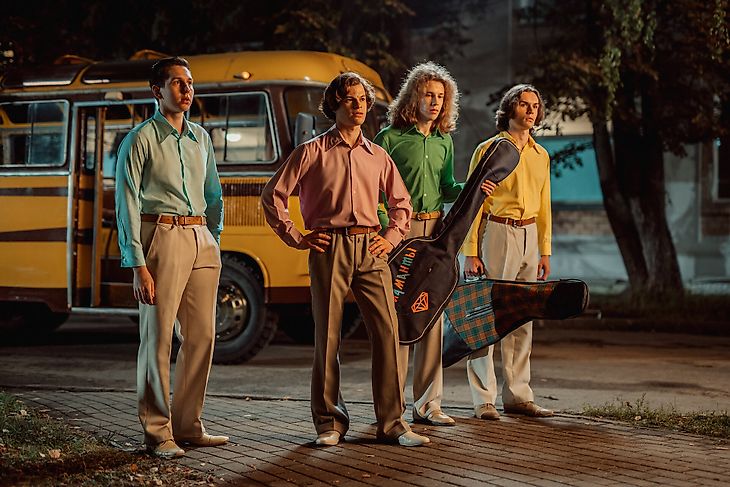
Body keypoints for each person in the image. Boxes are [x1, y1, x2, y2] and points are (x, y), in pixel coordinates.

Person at [261, 72, 429, 447]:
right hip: (329, 248)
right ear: (334, 105)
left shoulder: (378, 155)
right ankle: (329, 423)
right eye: (350, 99)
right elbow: (273, 196)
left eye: (363, 100)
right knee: (328, 336)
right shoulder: (311, 151)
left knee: (388, 333)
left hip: (371, 248)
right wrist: (297, 237)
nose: (358, 106)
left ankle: (392, 423)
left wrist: (390, 237)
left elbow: (402, 204)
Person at [115, 57, 227, 458]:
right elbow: (127, 202)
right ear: (157, 91)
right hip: (160, 235)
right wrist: (138, 264)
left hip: (200, 238)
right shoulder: (139, 139)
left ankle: (188, 425)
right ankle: (157, 431)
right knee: (158, 337)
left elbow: (213, 193)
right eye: (178, 83)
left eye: (190, 83)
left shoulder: (201, 138)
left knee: (202, 336)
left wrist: (212, 237)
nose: (187, 90)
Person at [374, 62, 495, 427]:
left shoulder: (444, 141)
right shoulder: (389, 138)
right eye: (428, 94)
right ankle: (392, 407)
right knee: (398, 317)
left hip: (435, 230)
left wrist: (475, 188)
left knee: (432, 314)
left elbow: (447, 188)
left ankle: (428, 405)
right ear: (413, 96)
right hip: (401, 233)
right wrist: (387, 229)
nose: (435, 102)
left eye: (441, 97)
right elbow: (373, 191)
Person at [462, 84, 554, 420]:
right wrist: (471, 250)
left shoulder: (541, 155)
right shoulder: (489, 149)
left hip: (529, 234)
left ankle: (518, 395)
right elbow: (474, 200)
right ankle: (483, 399)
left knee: (522, 316)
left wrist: (545, 250)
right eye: (523, 104)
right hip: (497, 232)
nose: (531, 110)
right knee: (486, 315)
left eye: (535, 105)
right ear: (509, 108)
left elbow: (544, 204)